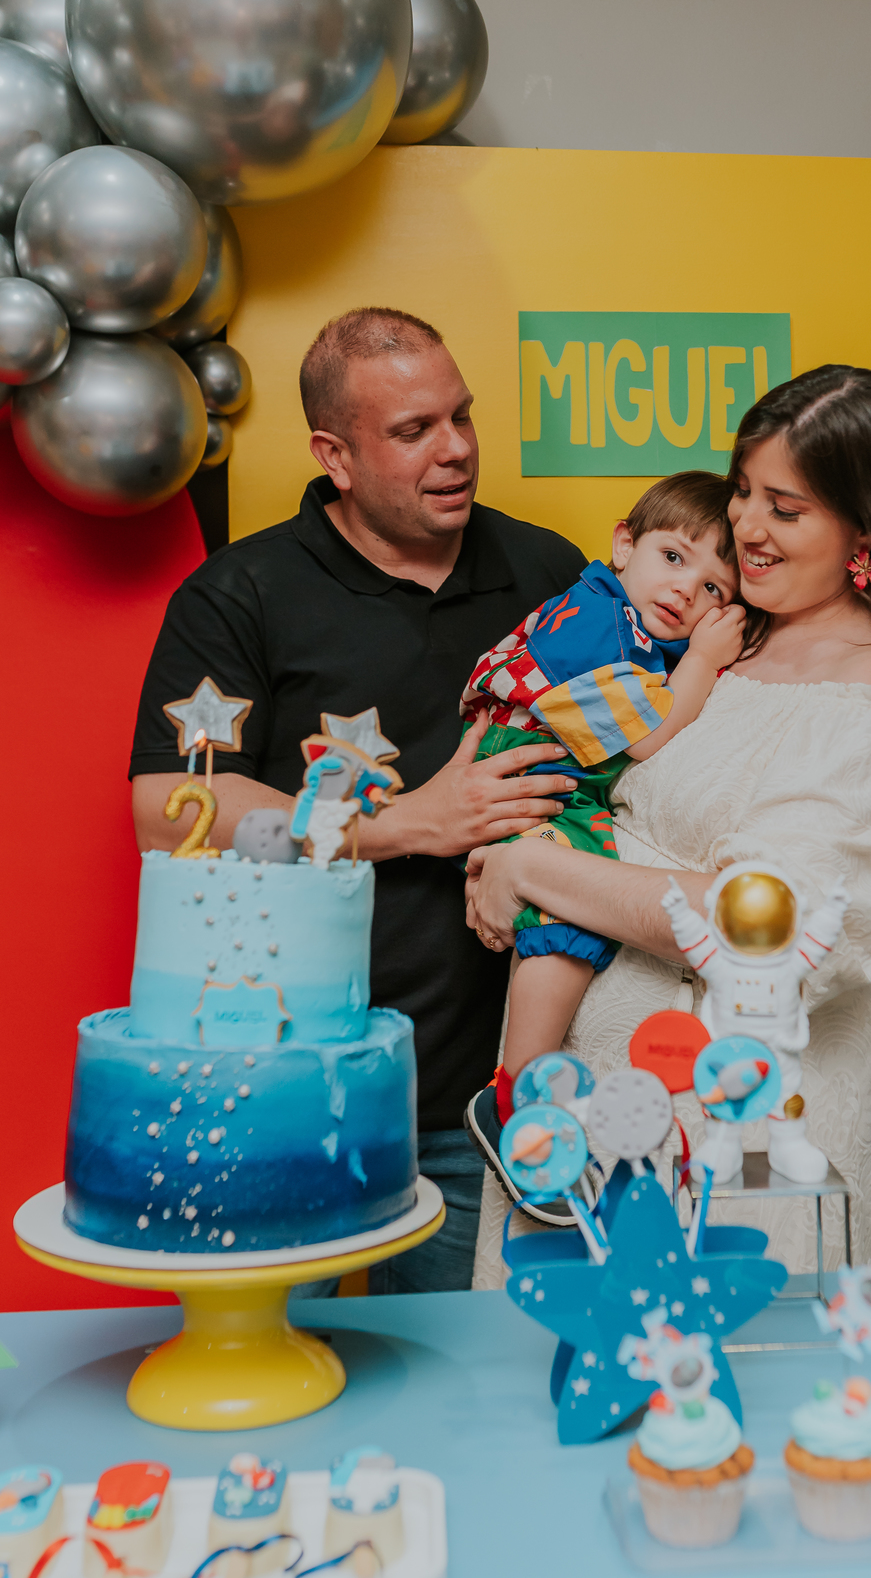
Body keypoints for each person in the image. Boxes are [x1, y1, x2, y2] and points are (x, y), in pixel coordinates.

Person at [466, 365, 871, 1281]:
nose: (746, 527)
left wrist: (533, 870)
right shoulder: (729, 633)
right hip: (591, 1109)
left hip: (737, 1133)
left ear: (865, 526)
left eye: (786, 507)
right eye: (742, 493)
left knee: (718, 1401)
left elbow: (762, 923)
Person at [128, 307, 586, 1292]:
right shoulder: (240, 594)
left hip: (489, 1104)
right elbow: (168, 805)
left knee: (469, 1388)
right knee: (285, 1383)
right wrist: (408, 822)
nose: (457, 448)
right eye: (414, 430)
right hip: (293, 1089)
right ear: (335, 454)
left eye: (460, 416)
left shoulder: (549, 573)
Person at [460, 472, 744, 1210]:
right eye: (674, 558)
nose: (687, 592)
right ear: (624, 544)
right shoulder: (602, 626)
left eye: (715, 588)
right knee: (568, 914)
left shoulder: (621, 617)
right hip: (535, 772)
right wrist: (707, 660)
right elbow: (647, 737)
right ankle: (518, 1098)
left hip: (540, 765)